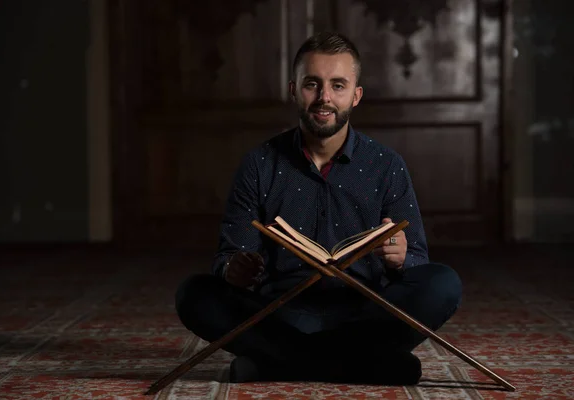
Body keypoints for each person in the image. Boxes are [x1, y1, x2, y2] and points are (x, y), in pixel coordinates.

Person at [175, 31, 462, 385]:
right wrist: (235, 268)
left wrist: (402, 257)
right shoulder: (259, 164)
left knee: (443, 283)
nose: (324, 98)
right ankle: (367, 365)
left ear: (356, 95)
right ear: (294, 89)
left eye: (338, 85)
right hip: (281, 316)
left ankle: (277, 364)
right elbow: (228, 256)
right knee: (195, 293)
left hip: (366, 315)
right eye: (313, 84)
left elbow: (417, 256)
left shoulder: (387, 165)